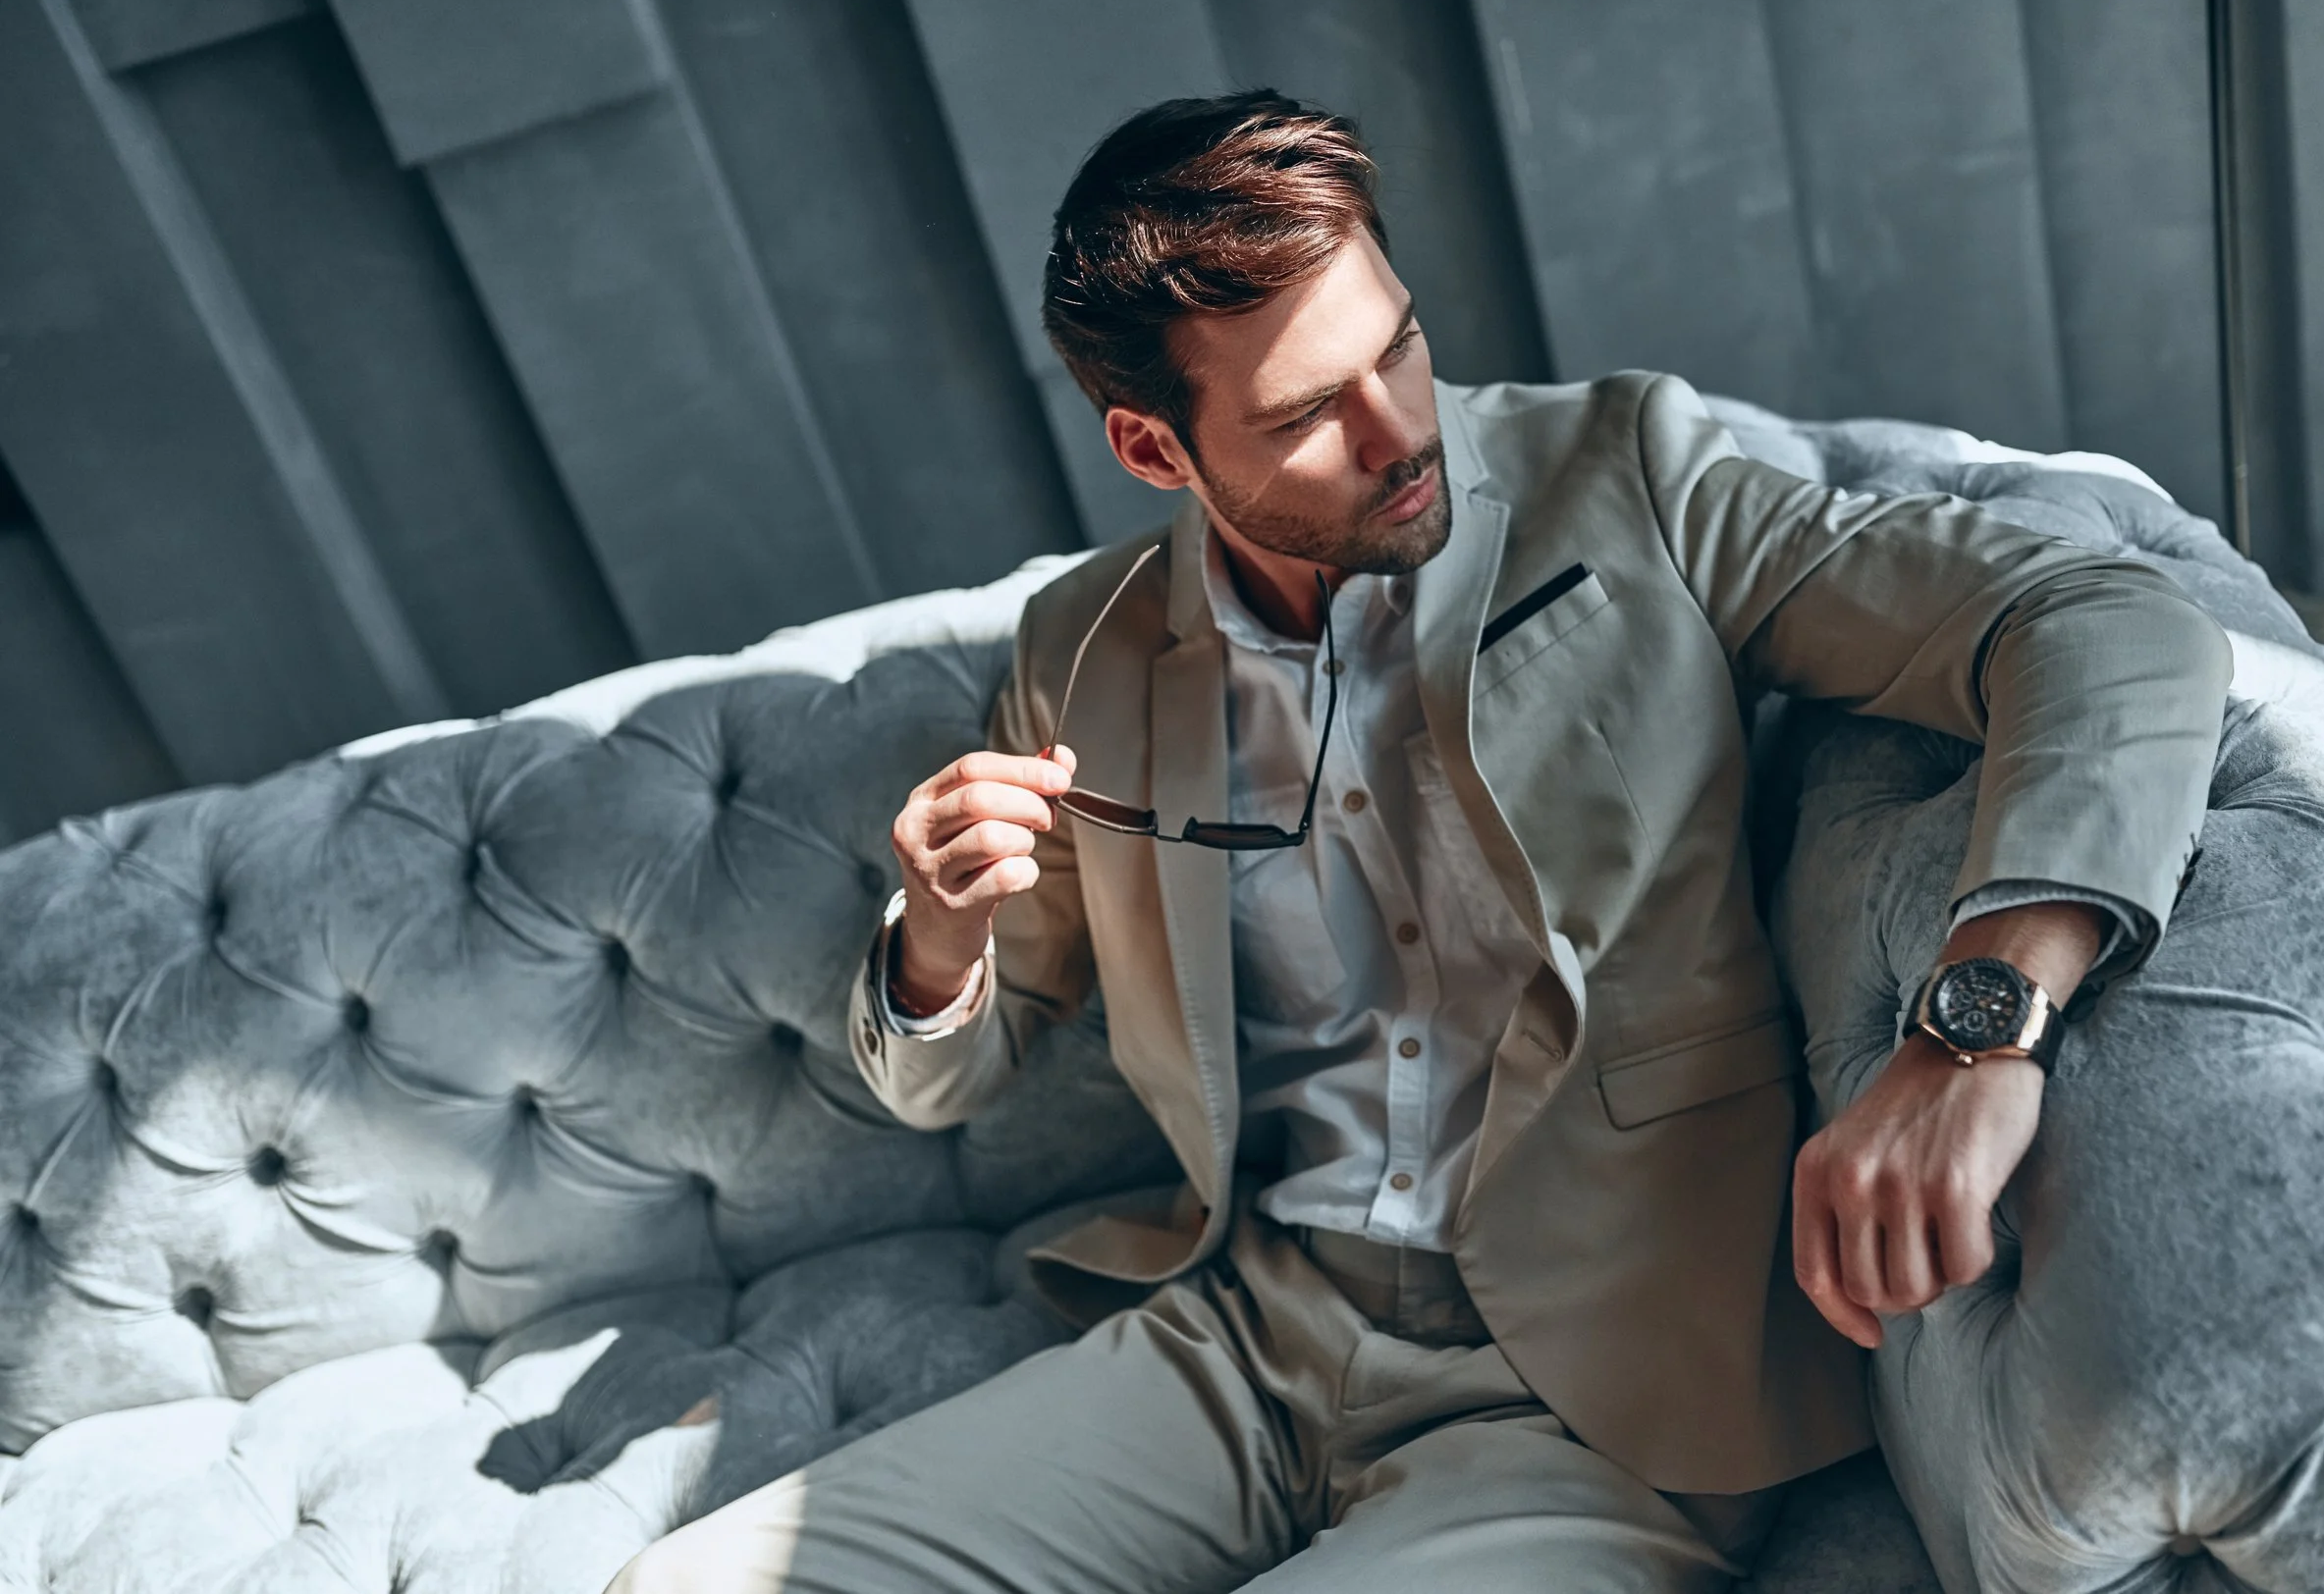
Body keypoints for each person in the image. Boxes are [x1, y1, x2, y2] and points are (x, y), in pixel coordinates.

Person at [610, 90, 2231, 1593]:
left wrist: (1977, 1029)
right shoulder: (1081, 650)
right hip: (1245, 1338)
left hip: (1602, 1391)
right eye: (1311, 411)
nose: (1400, 430)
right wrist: (938, 933)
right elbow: (947, 1077)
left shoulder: (1626, 475)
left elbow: (2101, 618)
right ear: (1156, 449)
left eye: (1399, 343)